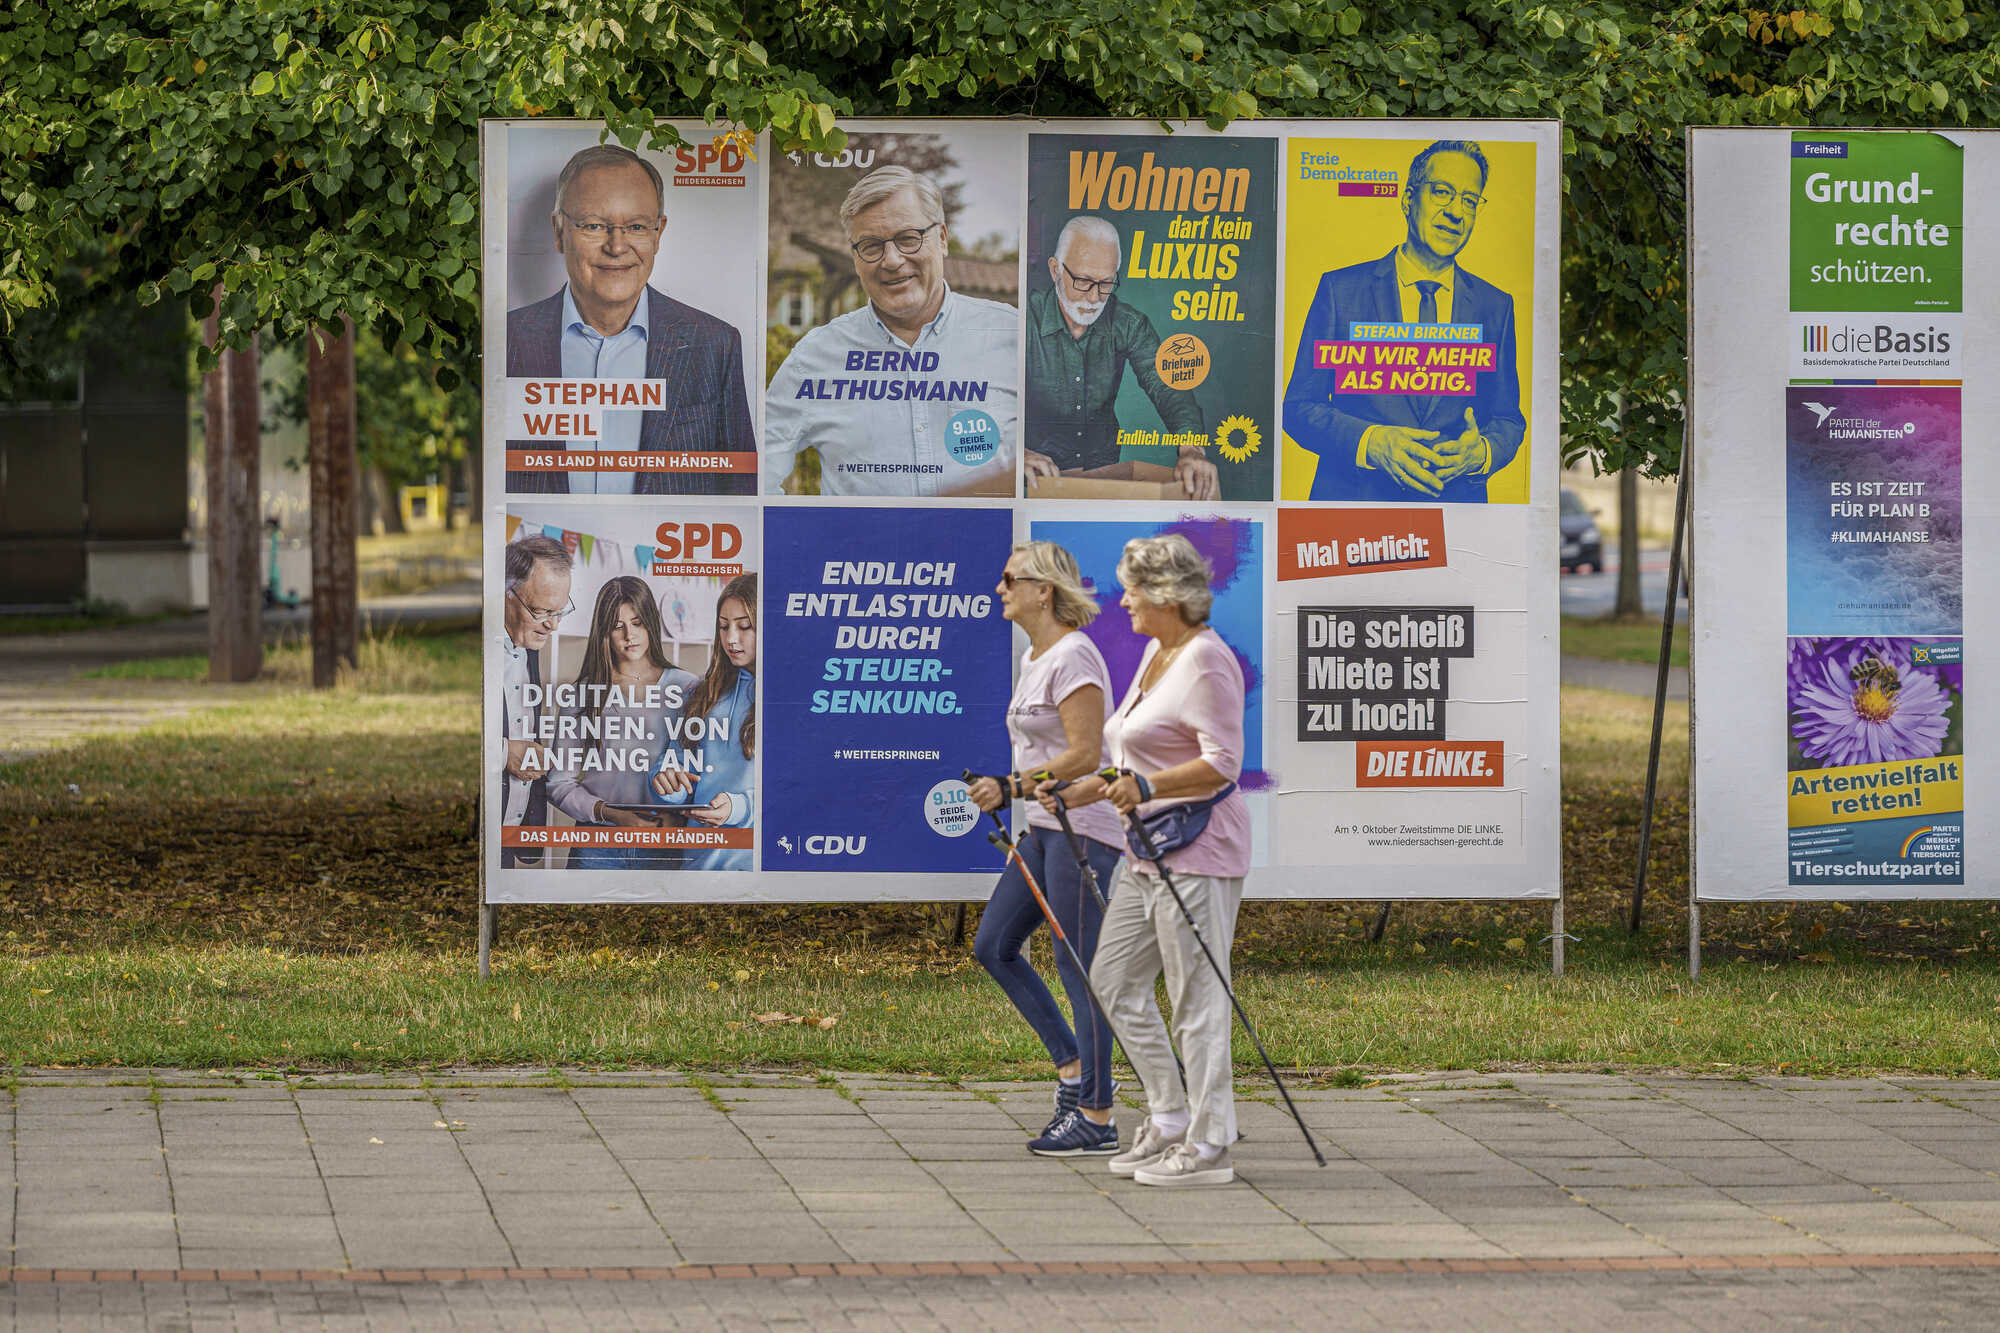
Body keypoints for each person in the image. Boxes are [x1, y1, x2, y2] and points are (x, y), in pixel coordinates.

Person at [1059, 533, 1248, 1187]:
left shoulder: (1206, 660)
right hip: (1146, 851)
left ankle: (1211, 1140)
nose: (1125, 600)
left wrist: (1146, 787)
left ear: (1168, 595)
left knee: (1197, 997)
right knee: (1112, 979)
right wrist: (1085, 786)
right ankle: (1169, 1116)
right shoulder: (1155, 653)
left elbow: (1223, 761)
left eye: (1134, 589)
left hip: (1199, 850)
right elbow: (1135, 754)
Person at [967, 542, 1127, 1157]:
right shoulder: (1036, 657)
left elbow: (1086, 755)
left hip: (1083, 827)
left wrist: (1010, 786)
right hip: (1043, 827)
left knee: (1078, 964)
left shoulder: (1074, 655)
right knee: (994, 946)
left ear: (1045, 590)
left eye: (1012, 578)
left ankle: (1098, 1114)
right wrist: (1017, 791)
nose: (1000, 587)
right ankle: (1071, 1073)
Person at [1282, 139, 1524, 503]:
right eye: (1443, 192)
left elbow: (1508, 419)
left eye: (1469, 201)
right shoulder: (1340, 289)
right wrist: (1372, 442)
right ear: (1409, 198)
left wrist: (1482, 453)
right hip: (1352, 514)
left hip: (1455, 518)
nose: (1456, 212)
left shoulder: (1496, 306)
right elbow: (1299, 408)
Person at [506, 144, 756, 495]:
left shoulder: (714, 344)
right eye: (594, 225)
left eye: (637, 226)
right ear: (559, 232)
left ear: (659, 234)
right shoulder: (507, 340)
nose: (617, 246)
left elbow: (741, 487)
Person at [763, 166, 1018, 497]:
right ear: (855, 259)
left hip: (988, 548)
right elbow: (756, 474)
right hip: (862, 550)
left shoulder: (1011, 335)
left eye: (908, 238)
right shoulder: (815, 356)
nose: (893, 260)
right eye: (871, 246)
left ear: (942, 238)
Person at [1024, 215, 1219, 499]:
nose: (1093, 298)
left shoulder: (1128, 322)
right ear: (1055, 270)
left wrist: (1191, 449)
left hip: (1103, 475)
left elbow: (1167, 386)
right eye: (1082, 281)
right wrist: (1016, 453)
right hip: (1034, 484)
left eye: (1106, 283)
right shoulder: (1022, 320)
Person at [545, 576, 699, 869]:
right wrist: (612, 815)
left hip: (664, 842)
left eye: (638, 622)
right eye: (618, 626)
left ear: (651, 622)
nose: (630, 635)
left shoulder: (688, 688)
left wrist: (681, 815)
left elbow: (701, 770)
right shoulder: (583, 695)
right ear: (604, 632)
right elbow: (558, 783)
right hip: (596, 845)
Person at [648, 573, 757, 870]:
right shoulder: (701, 693)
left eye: (744, 626)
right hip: (699, 865)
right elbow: (676, 764)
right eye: (724, 626)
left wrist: (737, 808)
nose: (731, 638)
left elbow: (798, 794)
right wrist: (666, 782)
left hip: (759, 868)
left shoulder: (792, 699)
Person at [497, 534, 574, 868]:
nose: (553, 626)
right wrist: (502, 753)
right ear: (506, 594)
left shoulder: (528, 643)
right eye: (542, 611)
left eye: (560, 611)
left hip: (512, 833)